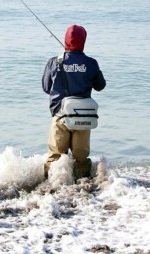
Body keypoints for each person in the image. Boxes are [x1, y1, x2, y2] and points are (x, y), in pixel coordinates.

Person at [42, 24, 106, 180]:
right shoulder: (91, 63)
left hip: (60, 114)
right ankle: (83, 189)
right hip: (82, 117)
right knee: (81, 158)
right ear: (83, 41)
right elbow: (100, 86)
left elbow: (46, 87)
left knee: (55, 156)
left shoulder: (54, 62)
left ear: (66, 40)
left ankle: (48, 188)